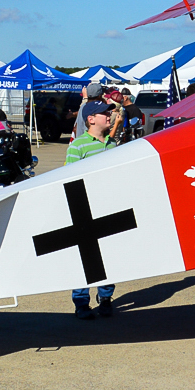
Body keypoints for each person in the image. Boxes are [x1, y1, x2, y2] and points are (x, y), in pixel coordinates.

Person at [65, 101, 118, 320]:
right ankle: (81, 303)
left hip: (109, 208)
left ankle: (105, 298)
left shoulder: (112, 143)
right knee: (85, 259)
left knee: (109, 258)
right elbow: (69, 180)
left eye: (109, 112)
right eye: (104, 113)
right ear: (91, 119)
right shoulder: (78, 146)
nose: (109, 116)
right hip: (85, 210)